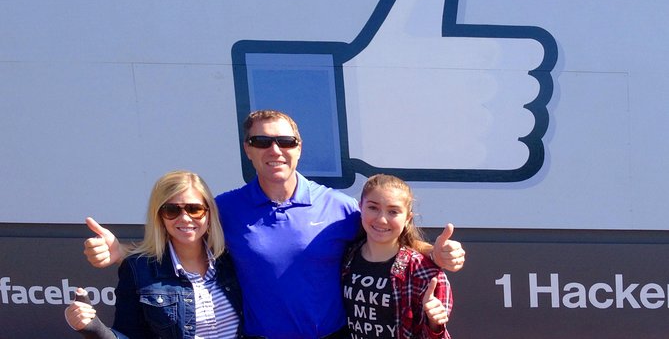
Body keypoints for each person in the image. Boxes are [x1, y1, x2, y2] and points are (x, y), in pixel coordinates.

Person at [83, 110, 466, 339]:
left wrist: (434, 253)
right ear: (247, 149)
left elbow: (385, 235)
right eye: (262, 141)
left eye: (286, 141)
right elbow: (181, 243)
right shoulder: (224, 209)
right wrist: (122, 254)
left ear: (299, 148)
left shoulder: (339, 206)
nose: (275, 150)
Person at [66, 171, 243, 338]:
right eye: (171, 210)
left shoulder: (232, 260)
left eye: (194, 209)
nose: (185, 218)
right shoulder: (138, 269)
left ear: (209, 213)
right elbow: (128, 335)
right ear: (160, 217)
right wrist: (94, 328)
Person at [342, 174, 452, 339]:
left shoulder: (424, 272)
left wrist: (434, 323)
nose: (382, 219)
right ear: (360, 208)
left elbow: (437, 334)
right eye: (373, 208)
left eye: (393, 211)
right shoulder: (346, 257)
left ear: (407, 218)